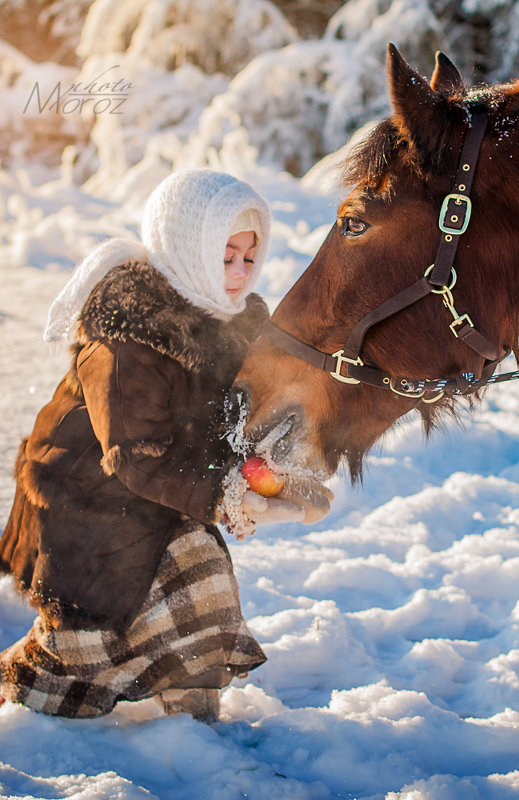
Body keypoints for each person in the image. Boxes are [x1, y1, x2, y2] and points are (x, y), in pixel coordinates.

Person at [0, 168, 316, 721]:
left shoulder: (232, 320)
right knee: (89, 638)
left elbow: (238, 414)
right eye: (225, 257)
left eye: (250, 256)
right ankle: (23, 694)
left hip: (158, 488)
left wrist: (280, 461)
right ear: (187, 248)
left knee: (203, 583)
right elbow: (131, 452)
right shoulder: (127, 333)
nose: (241, 273)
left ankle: (191, 713)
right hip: (85, 499)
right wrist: (223, 496)